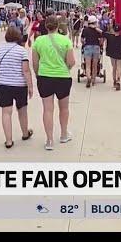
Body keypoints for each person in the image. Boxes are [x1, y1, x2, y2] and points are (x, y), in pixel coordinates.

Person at [31, 14, 76, 151]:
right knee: (64, 108)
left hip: (44, 77)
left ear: (46, 26)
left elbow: (35, 63)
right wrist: (65, 68)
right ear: (58, 26)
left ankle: (49, 140)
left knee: (47, 109)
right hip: (62, 77)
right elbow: (71, 61)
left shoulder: (38, 41)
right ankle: (63, 134)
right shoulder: (65, 41)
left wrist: (38, 74)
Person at [0, 26, 34, 149]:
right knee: (22, 110)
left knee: (6, 112)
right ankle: (25, 133)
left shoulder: (0, 49)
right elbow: (26, 71)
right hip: (19, 84)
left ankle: (8, 140)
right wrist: (30, 86)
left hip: (2, 84)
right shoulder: (22, 51)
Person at [81, 15, 102, 88]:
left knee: (88, 64)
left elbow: (82, 40)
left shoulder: (85, 30)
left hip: (87, 47)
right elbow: (101, 40)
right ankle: (93, 79)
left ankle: (88, 78)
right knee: (95, 65)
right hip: (96, 47)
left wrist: (84, 44)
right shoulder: (97, 30)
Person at [103, 23, 121, 90]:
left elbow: (102, 32)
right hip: (119, 54)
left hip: (112, 54)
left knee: (114, 68)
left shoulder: (110, 36)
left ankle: (114, 81)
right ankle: (118, 81)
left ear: (113, 29)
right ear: (120, 30)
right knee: (119, 67)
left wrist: (95, 27)